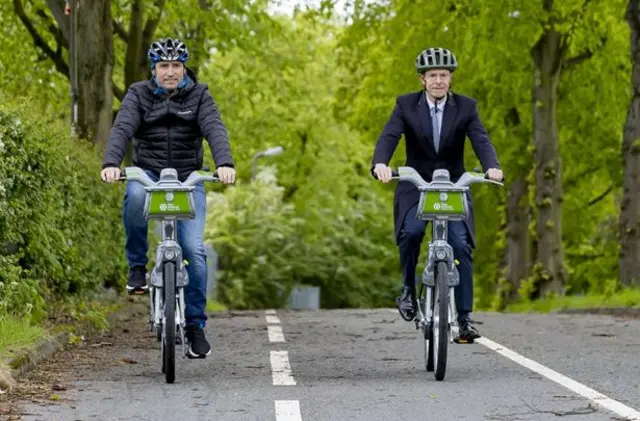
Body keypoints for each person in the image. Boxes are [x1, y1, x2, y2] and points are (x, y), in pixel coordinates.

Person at [101, 38, 236, 358]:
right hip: (148, 174)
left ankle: (195, 326)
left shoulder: (200, 95)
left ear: (184, 67)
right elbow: (122, 128)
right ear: (154, 69)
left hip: (188, 178)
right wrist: (111, 163)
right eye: (164, 66)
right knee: (133, 198)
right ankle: (137, 267)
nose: (171, 72)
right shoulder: (138, 94)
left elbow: (215, 128)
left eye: (176, 65)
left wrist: (225, 164)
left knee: (195, 250)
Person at [371, 47, 503, 342]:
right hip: (416, 184)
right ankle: (407, 290)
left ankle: (465, 318)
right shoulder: (406, 106)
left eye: (444, 75)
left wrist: (492, 167)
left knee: (460, 242)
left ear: (451, 78)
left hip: (453, 185)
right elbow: (390, 135)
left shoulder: (466, 108)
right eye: (433, 75)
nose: (439, 81)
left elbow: (480, 139)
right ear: (423, 80)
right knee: (412, 232)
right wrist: (381, 163)